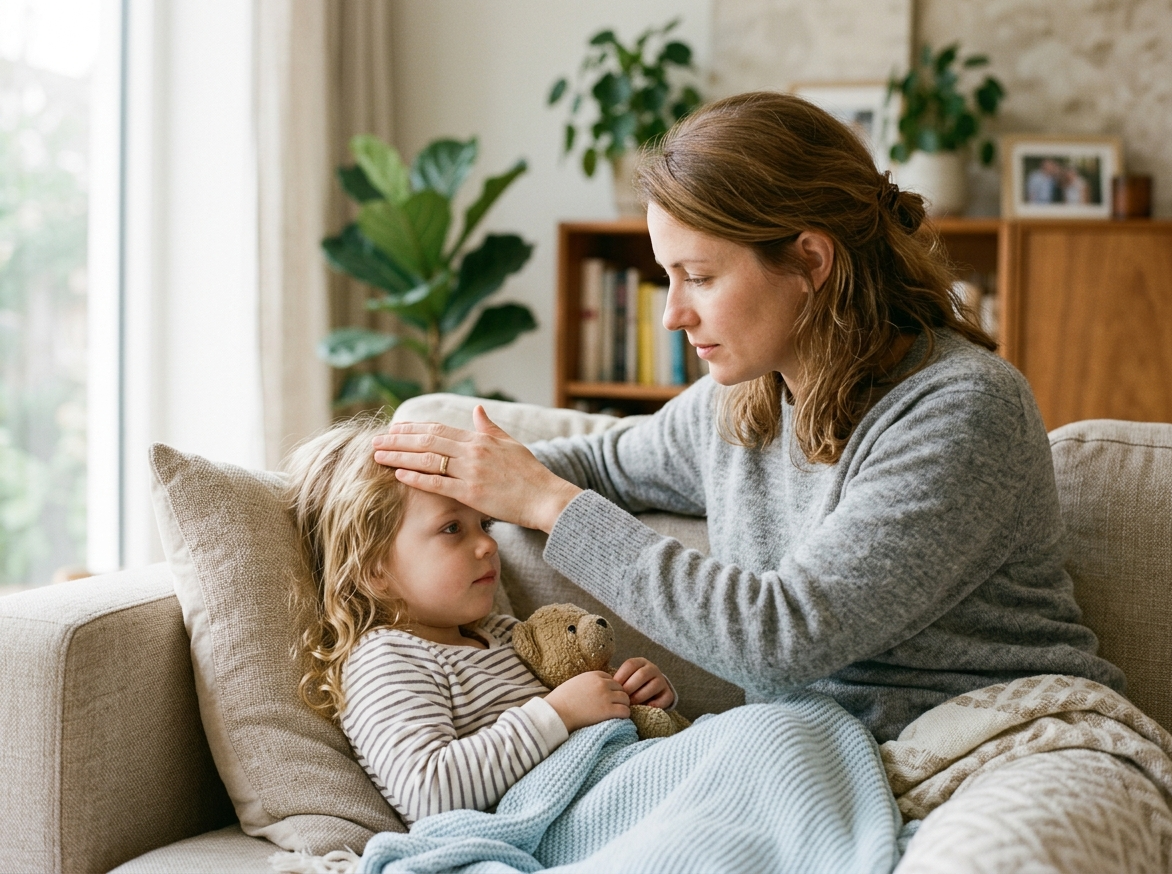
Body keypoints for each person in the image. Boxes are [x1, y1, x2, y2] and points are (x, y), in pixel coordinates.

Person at [371, 91, 1124, 745]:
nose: (672, 314)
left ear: (809, 261)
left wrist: (544, 502)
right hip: (816, 759)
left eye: (698, 276)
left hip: (1011, 738)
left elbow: (780, 637)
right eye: (668, 278)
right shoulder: (740, 401)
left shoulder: (962, 409)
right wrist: (424, 475)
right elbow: (601, 464)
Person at [283, 418, 677, 827]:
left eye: (485, 524)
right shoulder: (386, 657)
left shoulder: (506, 635)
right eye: (452, 528)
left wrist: (636, 696)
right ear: (373, 569)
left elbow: (591, 707)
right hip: (573, 815)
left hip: (627, 776)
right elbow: (426, 791)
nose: (488, 543)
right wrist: (558, 714)